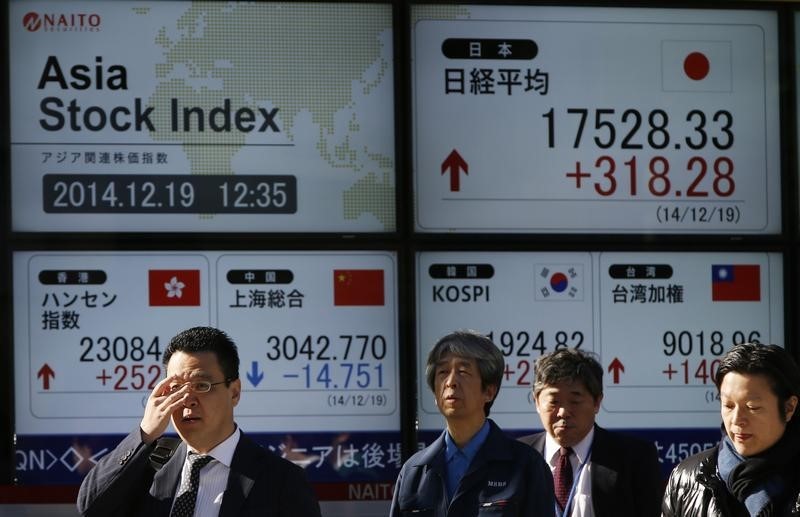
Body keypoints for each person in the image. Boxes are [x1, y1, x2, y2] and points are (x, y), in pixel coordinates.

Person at [77, 326, 321, 517]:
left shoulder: (282, 480)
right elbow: (91, 507)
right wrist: (145, 433)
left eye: (201, 385)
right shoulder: (148, 465)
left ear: (234, 392)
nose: (187, 400)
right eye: (176, 388)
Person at [389, 330, 555, 517]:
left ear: (489, 391)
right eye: (443, 372)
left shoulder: (526, 465)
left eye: (463, 372)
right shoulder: (413, 472)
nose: (450, 382)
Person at [518, 348, 661, 517]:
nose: (563, 412)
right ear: (536, 402)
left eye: (575, 401)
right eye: (553, 401)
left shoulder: (635, 458)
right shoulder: (517, 456)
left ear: (597, 402)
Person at [662, 342, 800, 516]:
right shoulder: (686, 479)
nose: (736, 420)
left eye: (752, 407)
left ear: (789, 408)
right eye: (728, 405)